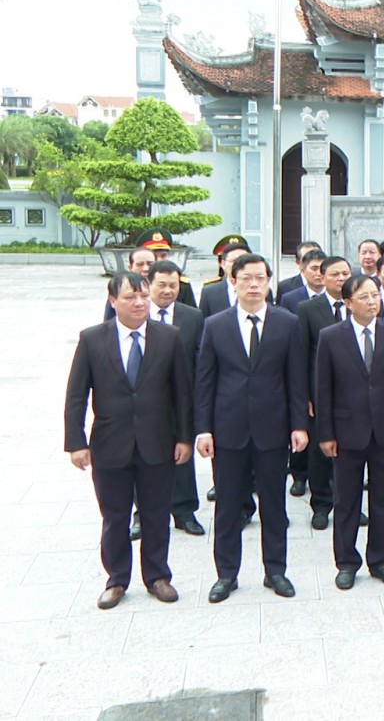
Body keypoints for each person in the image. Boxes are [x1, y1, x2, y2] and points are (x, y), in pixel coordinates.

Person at [64, 272, 193, 609]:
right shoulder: (92, 339)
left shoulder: (169, 337)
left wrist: (184, 438)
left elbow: (182, 393)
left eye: (143, 296)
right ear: (112, 301)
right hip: (110, 444)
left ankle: (157, 576)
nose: (139, 303)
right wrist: (76, 442)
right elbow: (76, 395)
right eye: (130, 297)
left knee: (156, 513)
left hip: (158, 442)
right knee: (115, 516)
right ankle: (117, 579)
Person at [193, 253, 310, 602]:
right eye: (247, 278)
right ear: (233, 281)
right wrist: (203, 429)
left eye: (261, 278)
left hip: (273, 431)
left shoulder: (287, 323)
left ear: (269, 282)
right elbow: (205, 382)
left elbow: (296, 380)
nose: (254, 284)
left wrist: (299, 425)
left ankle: (275, 571)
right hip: (227, 430)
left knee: (275, 505)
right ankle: (226, 574)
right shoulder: (215, 324)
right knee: (228, 506)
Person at [315, 274, 384, 590]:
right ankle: (346, 562)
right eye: (364, 296)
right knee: (346, 500)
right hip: (346, 432)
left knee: (383, 499)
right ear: (348, 303)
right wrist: (326, 433)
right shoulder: (331, 336)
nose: (372, 301)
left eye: (375, 296)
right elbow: (323, 388)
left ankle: (380, 560)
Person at [144, 261, 206, 537]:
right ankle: (141, 513)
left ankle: (184, 511)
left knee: (182, 454)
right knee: (141, 456)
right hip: (143, 400)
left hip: (181, 397)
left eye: (174, 285)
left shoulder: (192, 316)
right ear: (149, 285)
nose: (168, 290)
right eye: (162, 285)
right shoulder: (137, 311)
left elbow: (201, 360)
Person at [295, 255, 353, 527]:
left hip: (353, 394)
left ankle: (349, 503)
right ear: (323, 277)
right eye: (335, 275)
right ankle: (320, 504)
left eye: (345, 274)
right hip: (320, 393)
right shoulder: (308, 308)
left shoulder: (361, 305)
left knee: (350, 452)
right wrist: (305, 395)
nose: (341, 279)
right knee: (320, 451)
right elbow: (301, 355)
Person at [199, 236, 252, 318]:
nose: (238, 265)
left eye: (243, 260)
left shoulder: (261, 290)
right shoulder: (210, 293)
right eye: (234, 261)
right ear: (223, 264)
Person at [277, 249, 327, 314]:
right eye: (314, 269)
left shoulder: (336, 295)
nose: (319, 273)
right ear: (303, 271)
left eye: (322, 269)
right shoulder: (289, 299)